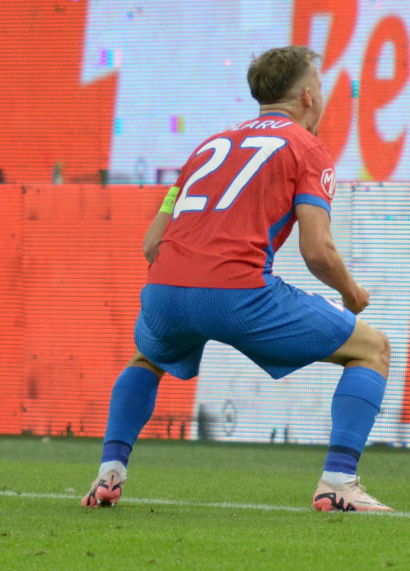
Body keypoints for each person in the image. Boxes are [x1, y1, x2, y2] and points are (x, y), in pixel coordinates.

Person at [82, 46, 393, 513]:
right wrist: (351, 293)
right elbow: (317, 249)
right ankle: (338, 483)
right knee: (372, 349)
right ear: (308, 96)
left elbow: (151, 243)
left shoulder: (207, 147)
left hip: (165, 292)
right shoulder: (308, 148)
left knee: (147, 358)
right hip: (237, 295)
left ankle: (109, 472)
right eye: (320, 86)